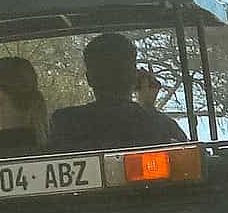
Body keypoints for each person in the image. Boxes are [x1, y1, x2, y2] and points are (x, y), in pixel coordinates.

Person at [47, 33, 188, 153]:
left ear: (89, 79)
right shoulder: (161, 126)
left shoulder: (64, 123)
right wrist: (148, 107)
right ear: (134, 76)